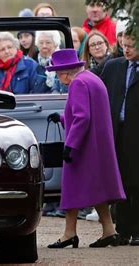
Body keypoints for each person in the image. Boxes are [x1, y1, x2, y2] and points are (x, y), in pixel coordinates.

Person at [46, 49, 126, 248]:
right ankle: (109, 230)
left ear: (65, 72)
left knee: (71, 189)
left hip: (84, 146)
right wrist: (63, 118)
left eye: (58, 73)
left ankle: (69, 234)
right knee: (97, 189)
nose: (58, 77)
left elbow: (83, 118)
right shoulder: (92, 78)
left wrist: (70, 145)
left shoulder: (78, 83)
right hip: (97, 146)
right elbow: (87, 114)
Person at [100, 29, 139, 246]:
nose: (126, 49)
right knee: (120, 181)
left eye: (131, 46)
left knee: (137, 182)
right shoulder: (113, 67)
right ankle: (123, 230)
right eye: (123, 45)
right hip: (117, 131)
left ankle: (137, 230)